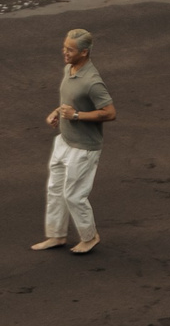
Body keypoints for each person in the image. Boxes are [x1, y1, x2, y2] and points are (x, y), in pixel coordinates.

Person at [33, 28, 115, 255]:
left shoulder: (93, 82)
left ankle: (90, 237)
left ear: (84, 52)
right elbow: (69, 101)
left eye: (70, 50)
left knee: (74, 195)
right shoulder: (69, 69)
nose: (65, 53)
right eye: (64, 47)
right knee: (55, 189)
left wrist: (77, 116)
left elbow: (109, 113)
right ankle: (56, 236)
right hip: (64, 140)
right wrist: (57, 112)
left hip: (84, 148)